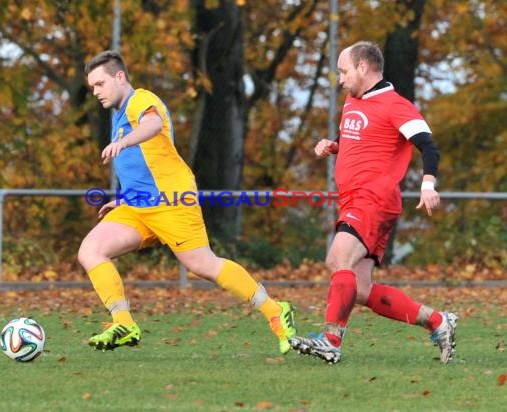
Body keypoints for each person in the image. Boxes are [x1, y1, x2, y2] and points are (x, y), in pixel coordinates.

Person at [78, 50, 296, 354]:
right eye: (92, 87)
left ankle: (275, 310)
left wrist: (123, 142)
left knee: (204, 265)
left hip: (171, 201)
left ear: (119, 77)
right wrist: (124, 198)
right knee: (91, 250)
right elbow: (143, 164)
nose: (96, 92)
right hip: (138, 206)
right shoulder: (117, 114)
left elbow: (152, 126)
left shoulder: (140, 100)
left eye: (99, 84)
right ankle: (124, 323)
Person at [289, 41, 458, 364]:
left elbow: (429, 147)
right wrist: (334, 146)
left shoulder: (395, 105)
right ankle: (437, 321)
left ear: (363, 68)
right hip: (356, 198)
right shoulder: (353, 103)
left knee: (338, 259)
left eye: (344, 71)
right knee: (361, 289)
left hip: (372, 198)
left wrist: (427, 184)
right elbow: (365, 141)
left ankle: (331, 339)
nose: (340, 79)